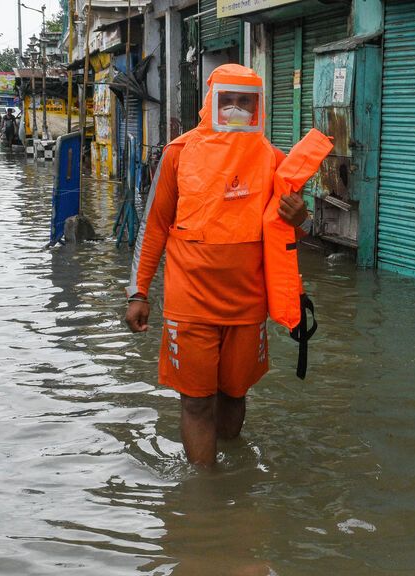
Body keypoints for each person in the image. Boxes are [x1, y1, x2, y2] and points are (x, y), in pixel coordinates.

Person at [124, 64, 326, 466]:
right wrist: (138, 291)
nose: (235, 109)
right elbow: (154, 226)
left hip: (247, 305)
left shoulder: (273, 160)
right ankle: (205, 495)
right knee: (197, 403)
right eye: (227, 100)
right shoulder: (178, 154)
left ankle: (233, 478)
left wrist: (301, 218)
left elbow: (296, 235)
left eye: (244, 102)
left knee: (235, 395)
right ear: (210, 103)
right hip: (190, 303)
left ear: (258, 107)